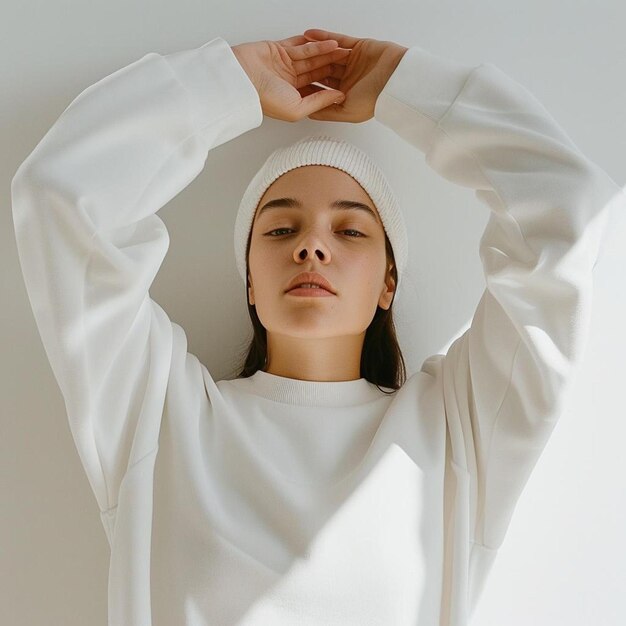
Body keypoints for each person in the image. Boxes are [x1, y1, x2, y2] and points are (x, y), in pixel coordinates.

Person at [10, 28, 623, 626]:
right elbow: (60, 197)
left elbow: (567, 215)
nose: (312, 248)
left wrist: (407, 88)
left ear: (389, 281)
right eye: (280, 229)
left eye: (350, 230)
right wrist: (230, 85)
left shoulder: (456, 428)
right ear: (249, 280)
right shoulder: (159, 414)